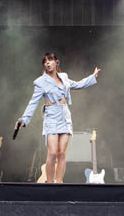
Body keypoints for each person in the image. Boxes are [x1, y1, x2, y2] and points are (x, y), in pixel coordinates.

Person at [15, 52, 100, 183]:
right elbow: (33, 102)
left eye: (50, 60)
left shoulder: (64, 77)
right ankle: (50, 183)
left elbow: (78, 85)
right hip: (51, 116)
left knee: (62, 154)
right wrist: (24, 119)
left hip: (65, 115)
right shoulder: (40, 82)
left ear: (56, 62)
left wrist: (92, 77)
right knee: (53, 153)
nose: (47, 63)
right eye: (45, 61)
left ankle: (59, 183)